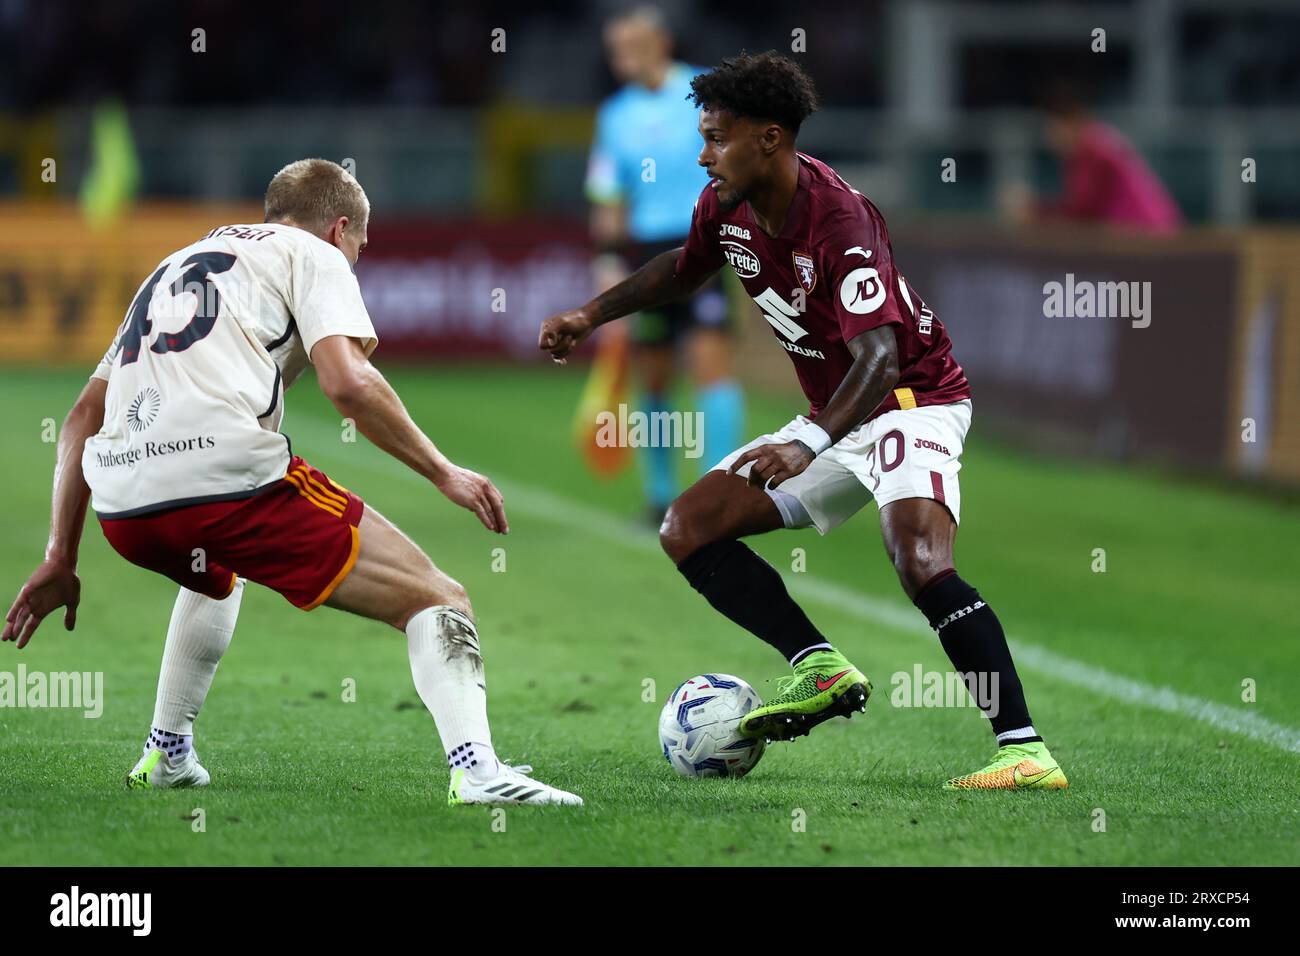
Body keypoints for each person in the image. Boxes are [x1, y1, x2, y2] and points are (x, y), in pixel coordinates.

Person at [541, 53, 1068, 791]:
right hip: (837, 409)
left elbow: (880, 357)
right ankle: (818, 666)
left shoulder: (838, 219)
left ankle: (1024, 749)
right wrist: (590, 315)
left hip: (910, 398)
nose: (702, 154)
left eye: (717, 137)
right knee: (687, 526)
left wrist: (807, 442)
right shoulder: (726, 204)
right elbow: (685, 269)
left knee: (918, 559)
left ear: (769, 138)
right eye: (702, 135)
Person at [3, 159, 581, 807]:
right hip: (221, 473)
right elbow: (348, 385)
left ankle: (167, 754)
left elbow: (83, 416)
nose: (359, 259)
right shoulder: (317, 255)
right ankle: (477, 771)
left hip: (122, 503)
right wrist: (444, 471)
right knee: (436, 597)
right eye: (362, 245)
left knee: (215, 571)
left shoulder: (178, 262)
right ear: (339, 229)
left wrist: (61, 555)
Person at [585, 4, 744, 522]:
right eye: (615, 50)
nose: (620, 58)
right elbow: (609, 195)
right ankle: (660, 498)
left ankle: (717, 492)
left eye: (630, 46)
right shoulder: (614, 115)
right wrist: (608, 260)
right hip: (646, 253)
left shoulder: (706, 91)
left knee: (711, 368)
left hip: (704, 241)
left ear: (660, 44)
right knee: (653, 377)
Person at [1008, 85, 1182, 234]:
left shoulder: (1093, 149)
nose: (1050, 138)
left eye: (1052, 128)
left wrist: (1034, 210)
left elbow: (1083, 212)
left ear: (1069, 122)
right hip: (1145, 231)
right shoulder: (1093, 142)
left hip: (1146, 233)